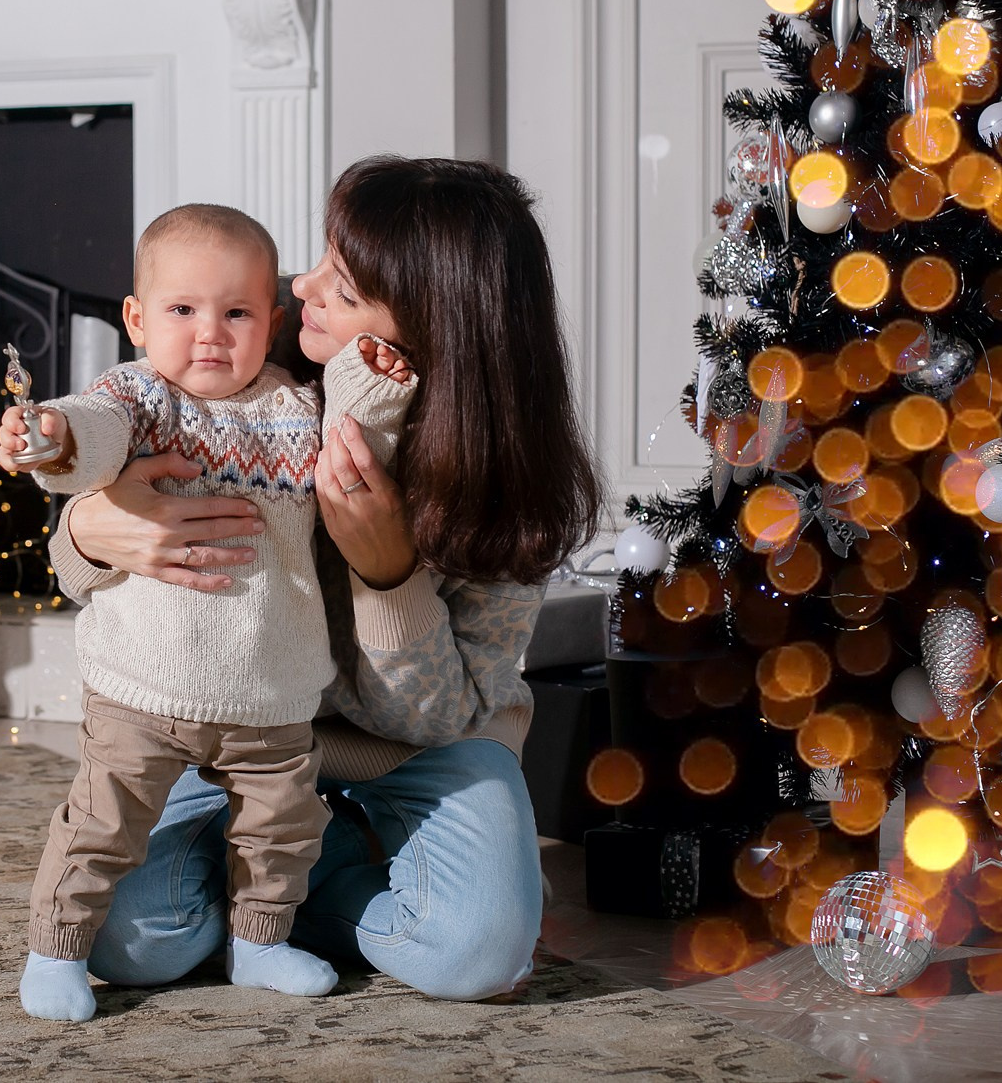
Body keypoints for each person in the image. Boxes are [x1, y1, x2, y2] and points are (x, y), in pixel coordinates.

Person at [49, 156, 603, 1002]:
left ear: (426, 330)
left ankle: (312, 876)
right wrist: (93, 529)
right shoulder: (252, 372)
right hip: (238, 723)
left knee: (475, 956)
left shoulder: (503, 477)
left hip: (416, 748)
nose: (299, 287)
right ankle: (288, 866)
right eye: (322, 259)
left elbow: (436, 715)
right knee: (132, 942)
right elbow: (103, 462)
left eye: (340, 288)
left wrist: (386, 572)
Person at [0, 202, 416, 1022]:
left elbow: (360, 438)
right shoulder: (142, 395)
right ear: (137, 317)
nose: (210, 333)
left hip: (270, 694)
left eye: (236, 313)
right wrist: (49, 435)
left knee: (281, 828)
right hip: (143, 689)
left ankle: (259, 943)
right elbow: (94, 428)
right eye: (183, 310)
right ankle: (55, 951)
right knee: (101, 827)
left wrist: (377, 381)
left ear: (273, 322)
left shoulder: (294, 409)